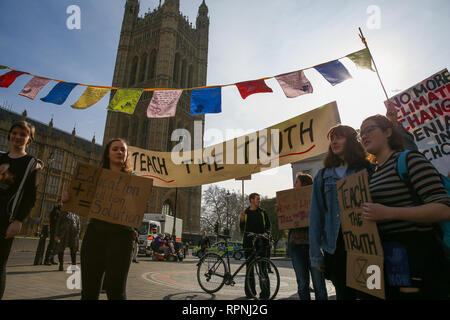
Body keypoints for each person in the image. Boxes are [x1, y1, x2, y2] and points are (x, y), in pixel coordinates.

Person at [360, 114, 450, 299]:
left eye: (370, 129)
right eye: (361, 133)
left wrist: (389, 213)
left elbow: (443, 209)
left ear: (388, 132)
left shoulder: (409, 160)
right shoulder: (373, 175)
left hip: (419, 258)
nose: (364, 136)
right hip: (392, 261)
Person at [63, 138, 138, 300]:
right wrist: (69, 199)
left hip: (122, 237)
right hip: (95, 234)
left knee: (116, 291)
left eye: (123, 150)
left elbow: (135, 209)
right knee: (89, 291)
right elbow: (81, 200)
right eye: (115, 149)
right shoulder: (93, 176)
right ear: (107, 154)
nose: (119, 152)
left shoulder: (135, 180)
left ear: (126, 155)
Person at [309, 125, 373, 301]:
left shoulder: (368, 169)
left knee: (370, 294)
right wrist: (316, 257)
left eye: (339, 137)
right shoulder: (323, 176)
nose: (334, 141)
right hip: (336, 250)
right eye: (332, 138)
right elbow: (316, 218)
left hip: (366, 247)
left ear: (352, 141)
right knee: (344, 296)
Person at [0, 121, 42, 299]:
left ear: (29, 140)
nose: (17, 137)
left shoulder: (33, 164)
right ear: (9, 135)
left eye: (23, 135)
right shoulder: (0, 158)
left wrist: (18, 221)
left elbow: (30, 197)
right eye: (14, 133)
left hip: (6, 217)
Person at [277, 172, 328, 300]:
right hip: (296, 246)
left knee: (319, 284)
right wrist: (281, 212)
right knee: (302, 284)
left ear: (304, 184)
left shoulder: (317, 199)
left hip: (314, 246)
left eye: (296, 182)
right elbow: (287, 223)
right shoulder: (290, 201)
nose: (294, 185)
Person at [240, 193, 271, 299]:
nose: (259, 200)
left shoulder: (263, 212)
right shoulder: (246, 213)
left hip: (261, 243)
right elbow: (242, 229)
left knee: (262, 268)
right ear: (251, 200)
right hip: (248, 244)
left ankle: (265, 293)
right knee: (249, 269)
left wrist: (267, 233)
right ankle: (250, 292)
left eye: (259, 199)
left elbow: (268, 226)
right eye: (258, 199)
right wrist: (242, 220)